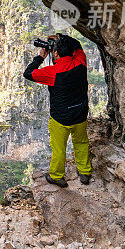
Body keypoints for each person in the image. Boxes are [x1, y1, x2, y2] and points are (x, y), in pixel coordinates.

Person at [23, 34, 92, 187]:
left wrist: (40, 57)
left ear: (55, 53)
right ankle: (85, 172)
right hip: (80, 113)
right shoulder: (81, 62)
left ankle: (56, 176)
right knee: (81, 142)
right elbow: (78, 45)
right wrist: (61, 37)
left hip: (60, 118)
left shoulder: (53, 72)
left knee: (59, 148)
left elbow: (28, 73)